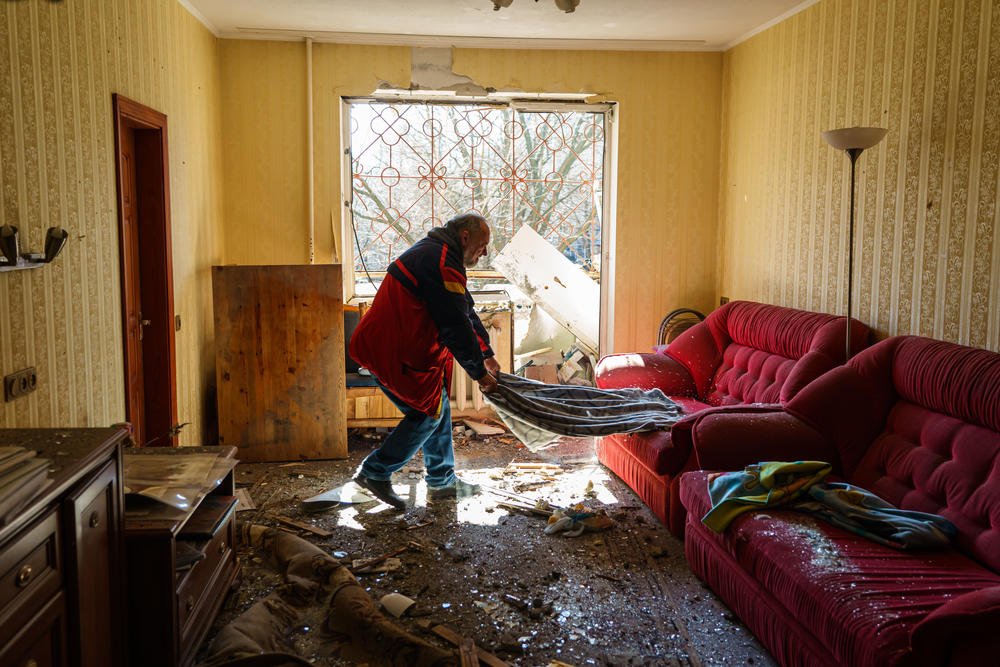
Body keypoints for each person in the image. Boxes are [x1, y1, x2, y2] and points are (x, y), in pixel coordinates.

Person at [349, 213, 501, 510]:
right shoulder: (442, 261)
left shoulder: (441, 254)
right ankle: (374, 473)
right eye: (482, 245)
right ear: (465, 237)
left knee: (438, 408)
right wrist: (480, 375)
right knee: (427, 416)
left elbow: (465, 309)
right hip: (394, 352)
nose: (485, 253)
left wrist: (487, 355)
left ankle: (442, 483)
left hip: (406, 350)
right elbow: (455, 325)